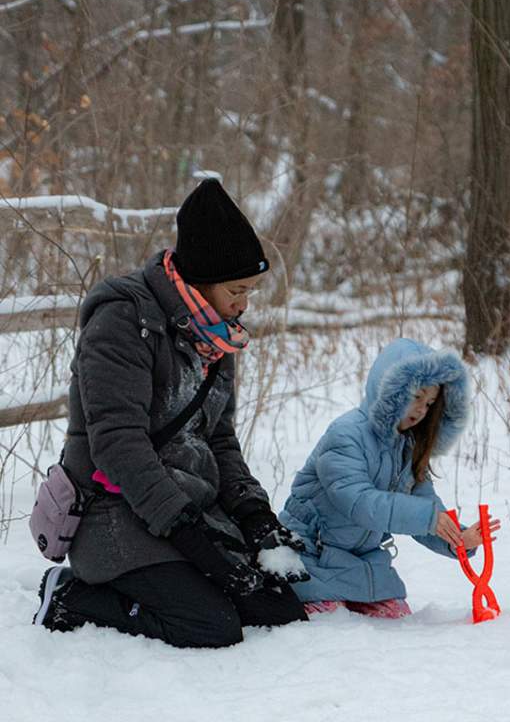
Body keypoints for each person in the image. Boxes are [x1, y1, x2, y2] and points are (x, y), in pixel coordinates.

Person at [32, 178, 309, 648]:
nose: (243, 305)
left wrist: (252, 510)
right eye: (237, 290)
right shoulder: (123, 323)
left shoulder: (217, 336)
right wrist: (190, 534)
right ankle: (71, 597)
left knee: (278, 609)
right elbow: (118, 445)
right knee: (210, 625)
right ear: (202, 279)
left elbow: (217, 438)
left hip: (185, 505)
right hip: (115, 510)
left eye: (251, 292)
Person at [279, 337, 501, 618]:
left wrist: (458, 539)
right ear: (390, 391)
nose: (422, 410)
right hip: (310, 557)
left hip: (362, 563)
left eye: (430, 403)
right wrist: (428, 518)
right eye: (416, 397)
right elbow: (359, 502)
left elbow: (425, 505)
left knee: (395, 619)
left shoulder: (407, 447)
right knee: (332, 623)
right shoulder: (346, 435)